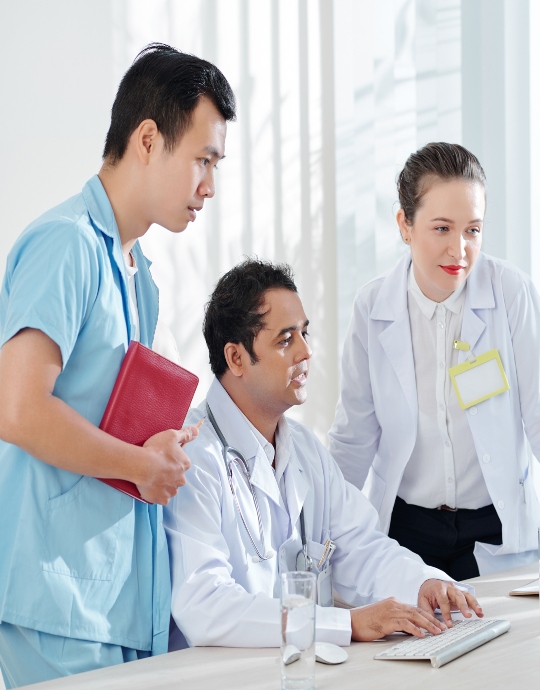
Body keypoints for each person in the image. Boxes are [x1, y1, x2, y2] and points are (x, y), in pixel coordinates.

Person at [0, 43, 235, 688]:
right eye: (203, 160)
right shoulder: (65, 244)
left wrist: (159, 448)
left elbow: (100, 416)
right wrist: (138, 465)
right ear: (149, 139)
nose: (210, 186)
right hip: (56, 597)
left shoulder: (139, 274)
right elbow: (17, 409)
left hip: (117, 598)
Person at [164, 258, 481, 650]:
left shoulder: (304, 450)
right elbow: (205, 606)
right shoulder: (193, 458)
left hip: (300, 666)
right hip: (225, 672)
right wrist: (346, 624)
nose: (306, 351)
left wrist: (424, 584)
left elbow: (360, 547)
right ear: (236, 358)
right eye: (285, 340)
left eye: (304, 333)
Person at [329, 142, 540, 581]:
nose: (459, 250)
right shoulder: (373, 307)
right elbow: (354, 438)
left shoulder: (511, 292)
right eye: (442, 228)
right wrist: (324, 539)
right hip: (406, 533)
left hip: (494, 527)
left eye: (473, 230)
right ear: (405, 225)